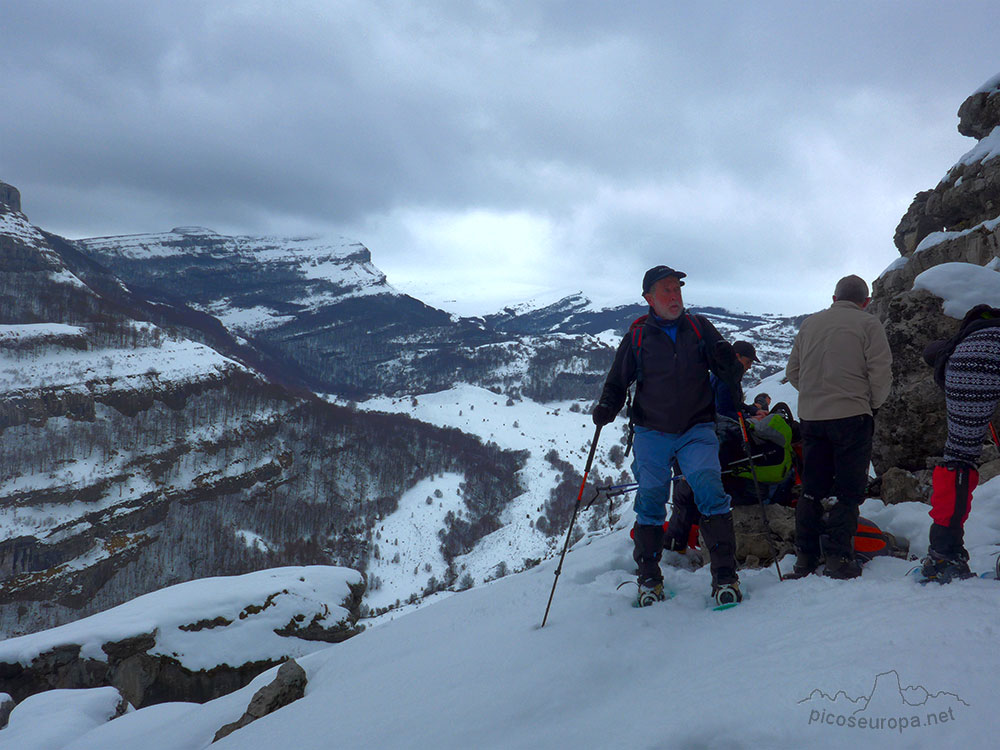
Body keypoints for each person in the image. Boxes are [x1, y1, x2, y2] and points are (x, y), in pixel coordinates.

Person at [592, 265, 745, 606]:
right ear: (649, 297)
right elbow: (618, 382)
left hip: (696, 427)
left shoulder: (699, 327)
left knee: (708, 486)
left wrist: (728, 363)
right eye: (666, 290)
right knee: (650, 497)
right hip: (651, 430)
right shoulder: (637, 335)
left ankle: (724, 576)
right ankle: (649, 579)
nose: (674, 296)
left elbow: (729, 375)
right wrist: (606, 407)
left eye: (677, 289)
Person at [784, 274, 892, 579]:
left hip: (812, 417)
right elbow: (881, 372)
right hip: (853, 416)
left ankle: (805, 557)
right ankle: (838, 557)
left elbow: (794, 371)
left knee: (812, 490)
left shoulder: (810, 324)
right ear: (866, 302)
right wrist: (872, 404)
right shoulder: (869, 324)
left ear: (834, 299)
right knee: (848, 490)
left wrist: (813, 395)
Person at [919, 304, 1000, 582]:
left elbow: (935, 352)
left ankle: (943, 553)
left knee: (959, 457)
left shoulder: (972, 334)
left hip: (963, 366)